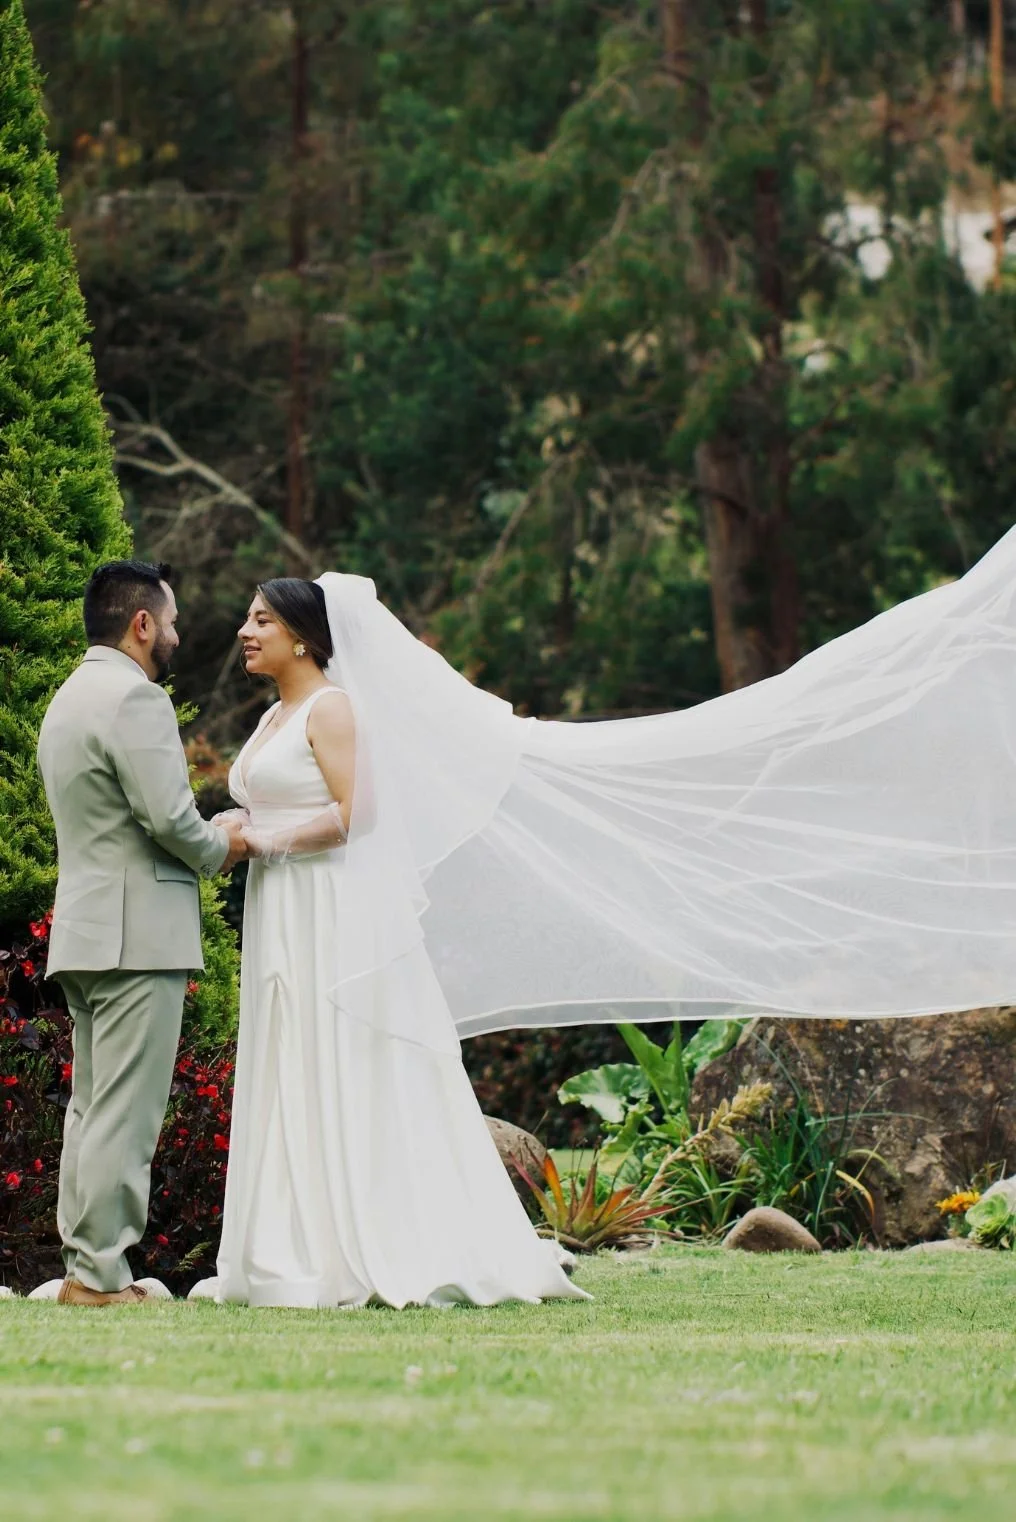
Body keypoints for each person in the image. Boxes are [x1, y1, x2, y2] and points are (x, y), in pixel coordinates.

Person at [189, 577, 586, 1307]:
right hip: (281, 906)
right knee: (289, 1051)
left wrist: (266, 843)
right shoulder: (274, 715)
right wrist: (227, 831)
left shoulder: (332, 708)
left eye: (262, 620)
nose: (246, 631)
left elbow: (357, 812)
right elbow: (263, 804)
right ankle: (290, 1242)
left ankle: (369, 1241)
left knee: (339, 1050)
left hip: (327, 903)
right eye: (247, 617)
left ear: (303, 636)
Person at [35, 560, 248, 1307]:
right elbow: (169, 818)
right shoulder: (135, 698)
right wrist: (227, 845)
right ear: (143, 623)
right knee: (126, 1115)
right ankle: (97, 1278)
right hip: (138, 938)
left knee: (93, 1109)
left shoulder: (68, 698)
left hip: (89, 932)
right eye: (175, 619)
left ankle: (84, 1270)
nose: (180, 633)